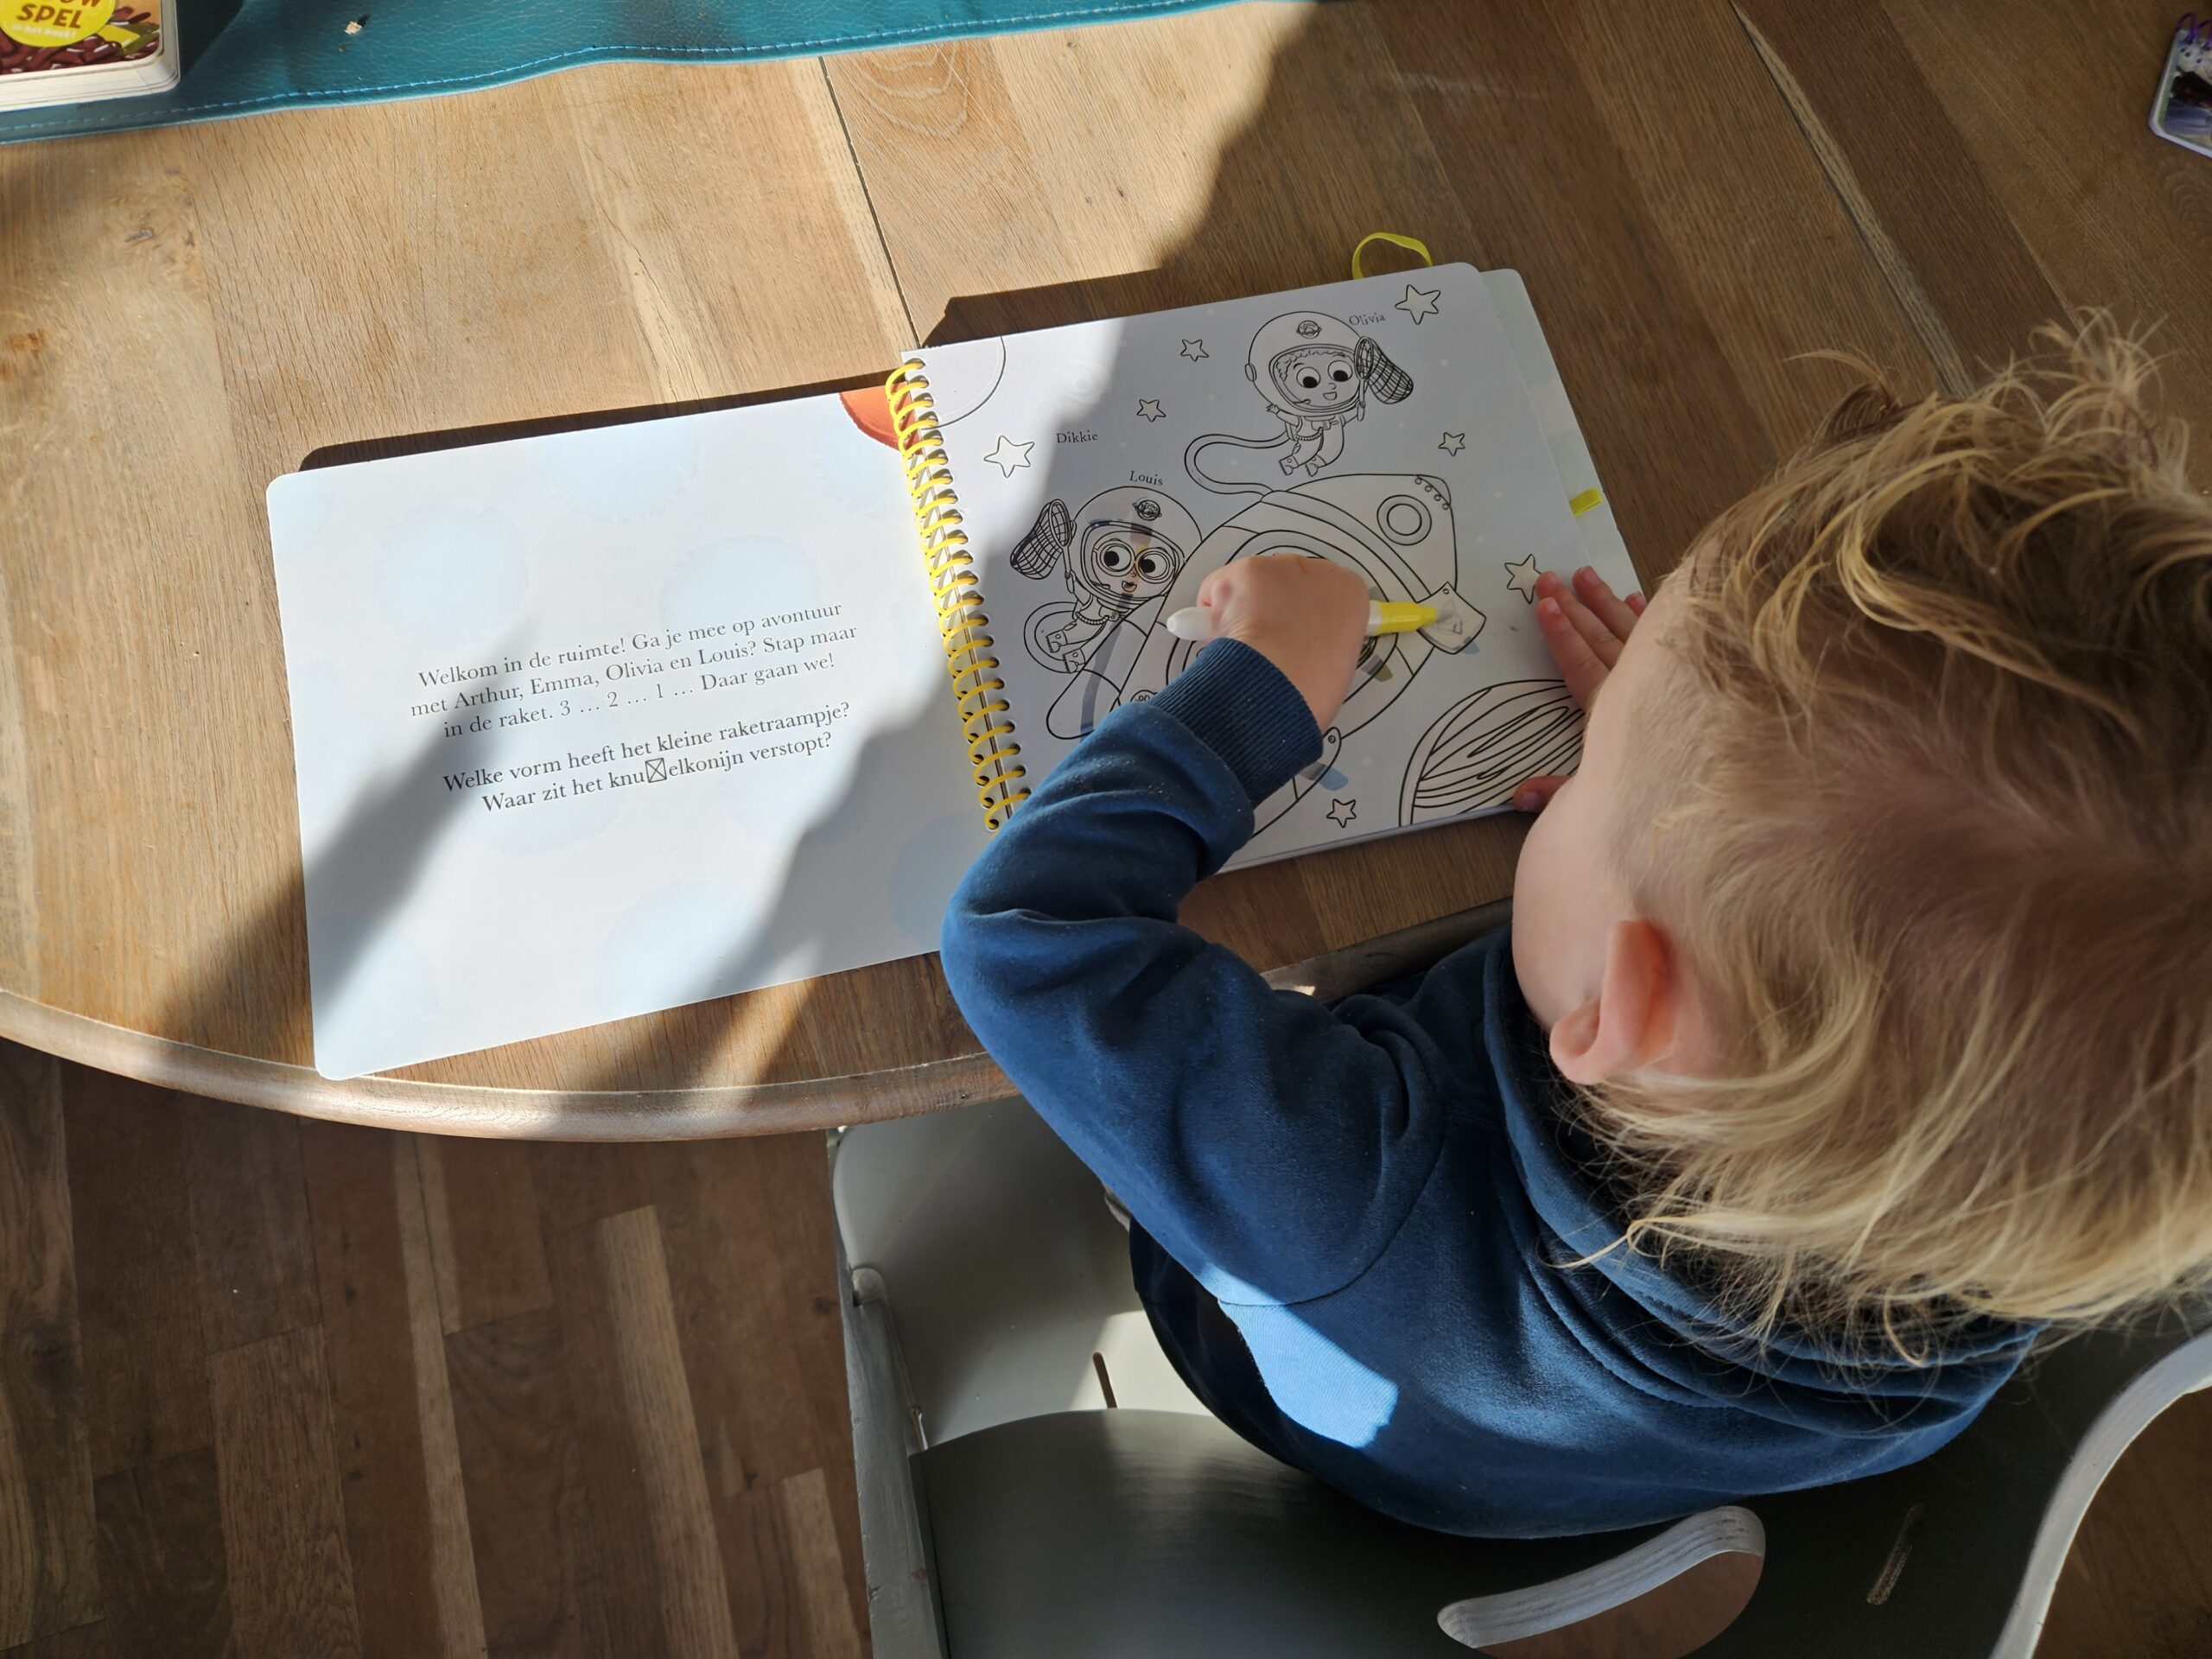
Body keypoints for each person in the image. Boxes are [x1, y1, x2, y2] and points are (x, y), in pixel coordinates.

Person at [938, 325, 2212, 1536]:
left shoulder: (1347, 1195)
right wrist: (1695, 809)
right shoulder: (2002, 1223)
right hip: (1578, 1460)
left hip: (1297, 1353)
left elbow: (1024, 933)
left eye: (1593, 767)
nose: (1588, 753)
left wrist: (1256, 694)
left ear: (1627, 1006)